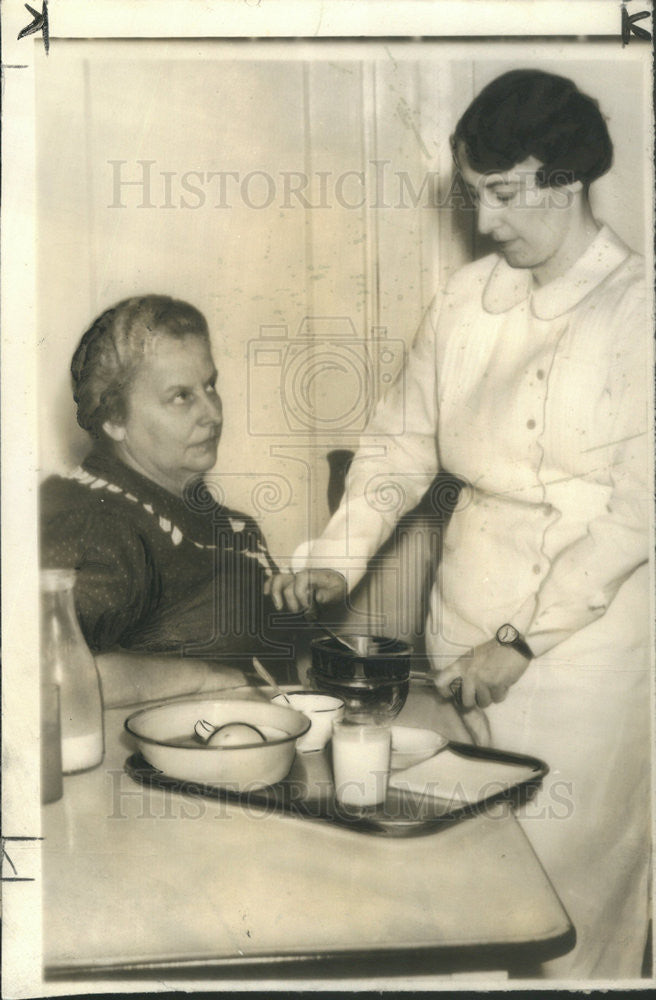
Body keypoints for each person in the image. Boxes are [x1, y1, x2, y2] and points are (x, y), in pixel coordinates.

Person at [272, 70, 652, 979]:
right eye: (474, 197)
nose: (484, 222)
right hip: (458, 636)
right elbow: (399, 449)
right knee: (460, 894)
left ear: (565, 177)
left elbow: (639, 511)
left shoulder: (639, 310)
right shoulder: (465, 299)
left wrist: (523, 642)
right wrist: (335, 559)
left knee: (564, 908)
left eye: (505, 195)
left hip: (583, 659)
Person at [41, 295, 296, 706]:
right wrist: (206, 678)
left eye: (209, 385)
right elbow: (48, 671)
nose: (212, 413)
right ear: (114, 418)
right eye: (181, 396)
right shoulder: (95, 521)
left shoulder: (225, 523)